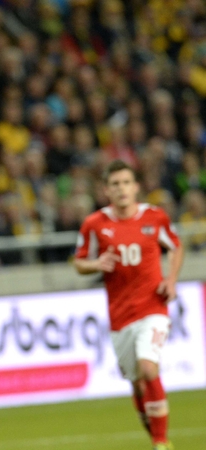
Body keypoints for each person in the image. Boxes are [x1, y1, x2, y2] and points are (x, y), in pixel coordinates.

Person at [74, 160, 183, 450]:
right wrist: (95, 264)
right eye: (115, 184)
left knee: (149, 368)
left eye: (126, 183)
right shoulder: (94, 224)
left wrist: (171, 280)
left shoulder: (155, 217)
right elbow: (78, 263)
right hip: (120, 315)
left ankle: (161, 443)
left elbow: (176, 245)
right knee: (136, 383)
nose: (121, 189)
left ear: (136, 187)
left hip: (153, 307)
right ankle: (157, 437)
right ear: (106, 190)